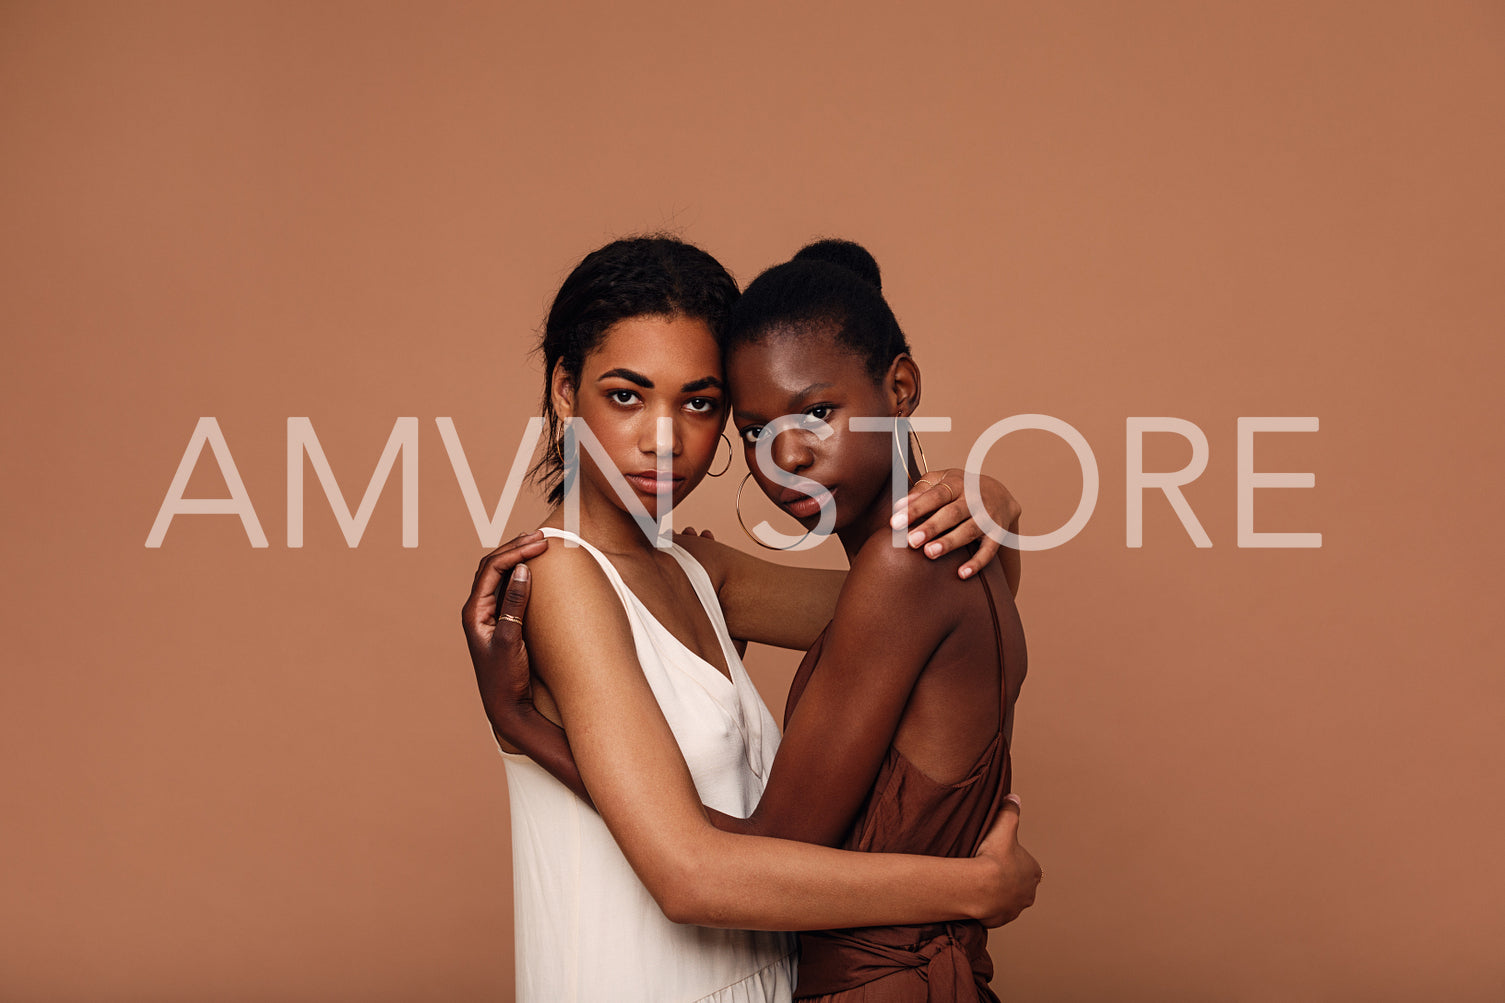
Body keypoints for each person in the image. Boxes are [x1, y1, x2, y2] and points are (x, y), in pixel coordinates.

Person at [461, 236, 1040, 1003]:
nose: (663, 437)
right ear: (566, 391)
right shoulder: (563, 577)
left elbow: (947, 608)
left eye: (698, 403)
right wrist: (970, 887)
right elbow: (689, 873)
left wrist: (989, 500)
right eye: (626, 394)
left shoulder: (704, 574)